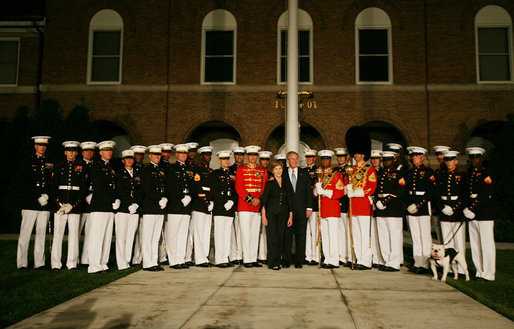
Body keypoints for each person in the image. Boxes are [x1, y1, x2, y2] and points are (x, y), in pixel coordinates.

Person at [17, 136, 53, 270]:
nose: (42, 147)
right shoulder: (28, 161)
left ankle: (40, 262)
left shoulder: (49, 162)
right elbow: (25, 182)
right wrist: (38, 196)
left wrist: (47, 195)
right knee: (25, 234)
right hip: (30, 203)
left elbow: (51, 182)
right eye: (39, 145)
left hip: (45, 204)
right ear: (35, 146)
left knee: (41, 233)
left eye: (44, 145)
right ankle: (22, 263)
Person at [50, 141, 87, 271]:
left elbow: (83, 189)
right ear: (65, 152)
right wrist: (60, 204)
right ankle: (56, 264)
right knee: (58, 235)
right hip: (59, 207)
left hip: (75, 207)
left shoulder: (82, 167)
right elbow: (53, 187)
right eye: (69, 151)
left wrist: (72, 205)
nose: (71, 153)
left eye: (73, 151)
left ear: (77, 153)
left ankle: (72, 263)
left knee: (74, 236)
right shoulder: (59, 166)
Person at [464, 147, 496, 281]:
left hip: (484, 212)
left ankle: (488, 273)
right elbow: (467, 193)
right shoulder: (470, 174)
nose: (474, 160)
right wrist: (467, 208)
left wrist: (472, 208)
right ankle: (479, 271)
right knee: (475, 244)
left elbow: (485, 194)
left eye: (476, 158)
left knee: (486, 244)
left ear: (481, 159)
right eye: (471, 158)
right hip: (472, 213)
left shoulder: (486, 173)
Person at [88, 140, 118, 273]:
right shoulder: (96, 166)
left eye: (110, 150)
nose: (109, 152)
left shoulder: (110, 168)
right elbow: (99, 187)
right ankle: (94, 265)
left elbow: (114, 186)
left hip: (109, 207)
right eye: (106, 150)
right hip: (99, 206)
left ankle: (103, 263)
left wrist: (116, 198)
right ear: (100, 152)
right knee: (97, 236)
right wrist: (113, 199)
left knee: (106, 237)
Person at [436, 150, 468, 275]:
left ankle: (460, 269)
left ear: (456, 161)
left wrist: (455, 209)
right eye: (447, 160)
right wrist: (442, 207)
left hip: (457, 212)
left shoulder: (462, 175)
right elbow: (437, 194)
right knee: (446, 240)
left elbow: (464, 195)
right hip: (444, 211)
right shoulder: (441, 175)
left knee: (459, 241)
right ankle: (448, 268)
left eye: (451, 160)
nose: (449, 163)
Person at [235, 145, 268, 268]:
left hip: (257, 205)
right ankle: (246, 259)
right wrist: (251, 199)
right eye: (251, 156)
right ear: (247, 157)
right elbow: (239, 187)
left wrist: (258, 199)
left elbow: (264, 187)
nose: (253, 158)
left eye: (255, 156)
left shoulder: (262, 171)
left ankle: (253, 258)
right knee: (245, 233)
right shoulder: (241, 170)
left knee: (255, 233)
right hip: (244, 205)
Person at [405, 146, 435, 274]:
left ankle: (425, 264)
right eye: (412, 156)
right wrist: (408, 204)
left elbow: (430, 191)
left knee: (424, 236)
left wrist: (418, 205)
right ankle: (418, 262)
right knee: (415, 236)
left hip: (422, 207)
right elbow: (406, 190)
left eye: (416, 156)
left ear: (422, 157)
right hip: (410, 206)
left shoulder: (428, 172)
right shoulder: (410, 172)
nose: (414, 158)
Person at [374, 151, 406, 272]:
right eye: (385, 159)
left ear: (393, 159)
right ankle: (387, 260)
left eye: (388, 159)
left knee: (394, 236)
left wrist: (384, 201)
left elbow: (400, 189)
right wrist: (377, 201)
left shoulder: (399, 172)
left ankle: (395, 262)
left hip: (393, 208)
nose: (386, 161)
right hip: (380, 209)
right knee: (383, 236)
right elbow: (376, 189)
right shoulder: (381, 172)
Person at [314, 150, 345, 269]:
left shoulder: (336, 175)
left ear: (330, 160)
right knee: (325, 236)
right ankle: (327, 258)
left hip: (332, 209)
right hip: (323, 210)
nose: (325, 161)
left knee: (333, 236)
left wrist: (324, 192)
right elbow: (316, 195)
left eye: (327, 159)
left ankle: (334, 260)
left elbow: (340, 192)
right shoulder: (320, 175)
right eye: (323, 159)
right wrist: (316, 191)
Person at [282, 151, 313, 268]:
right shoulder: (283, 173)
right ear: (287, 160)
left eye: (296, 159)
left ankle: (299, 261)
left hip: (301, 210)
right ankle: (286, 260)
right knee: (287, 236)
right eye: (293, 159)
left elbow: (308, 192)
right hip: (287, 211)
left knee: (301, 236)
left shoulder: (304, 173)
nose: (295, 161)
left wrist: (309, 207)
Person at [261, 160, 293, 270]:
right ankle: (272, 262)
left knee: (280, 238)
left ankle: (278, 261)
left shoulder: (286, 183)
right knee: (272, 238)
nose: (278, 171)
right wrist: (264, 216)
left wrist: (290, 216)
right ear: (272, 171)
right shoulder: (269, 183)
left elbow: (290, 201)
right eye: (276, 169)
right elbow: (264, 202)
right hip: (271, 214)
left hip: (283, 214)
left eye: (280, 168)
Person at [165, 144, 193, 269]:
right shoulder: (171, 168)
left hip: (186, 207)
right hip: (175, 205)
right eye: (181, 153)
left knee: (183, 234)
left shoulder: (188, 169)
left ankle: (181, 259)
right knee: (173, 234)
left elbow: (193, 185)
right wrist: (181, 197)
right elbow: (170, 186)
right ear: (176, 154)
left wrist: (190, 196)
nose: (183, 155)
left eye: (185, 153)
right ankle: (173, 260)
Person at [140, 145, 167, 271]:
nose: (157, 157)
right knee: (148, 237)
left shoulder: (160, 170)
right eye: (154, 155)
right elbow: (147, 189)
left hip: (159, 208)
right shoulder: (146, 170)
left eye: (158, 155)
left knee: (156, 237)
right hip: (150, 207)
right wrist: (159, 198)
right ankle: (147, 263)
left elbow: (164, 188)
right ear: (150, 156)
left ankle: (154, 261)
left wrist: (165, 197)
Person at [210, 150, 237, 267]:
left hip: (230, 208)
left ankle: (225, 258)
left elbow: (235, 190)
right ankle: (219, 259)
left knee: (227, 235)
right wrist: (224, 201)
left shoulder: (232, 175)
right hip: (220, 208)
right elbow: (214, 191)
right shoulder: (215, 174)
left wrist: (232, 201)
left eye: (227, 159)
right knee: (220, 234)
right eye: (223, 159)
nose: (226, 161)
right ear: (220, 161)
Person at [114, 150, 141, 270]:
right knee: (121, 237)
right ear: (123, 161)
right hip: (123, 209)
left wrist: (136, 204)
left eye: (132, 159)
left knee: (130, 237)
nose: (130, 161)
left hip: (135, 209)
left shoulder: (138, 174)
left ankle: (127, 261)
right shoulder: (119, 173)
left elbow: (141, 191)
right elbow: (119, 191)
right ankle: (121, 263)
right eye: (127, 159)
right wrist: (129, 203)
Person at [190, 146, 214, 267]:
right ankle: (199, 258)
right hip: (199, 205)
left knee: (206, 233)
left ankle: (204, 257)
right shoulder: (197, 169)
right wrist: (206, 201)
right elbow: (197, 187)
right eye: (205, 155)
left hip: (208, 206)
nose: (208, 157)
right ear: (201, 156)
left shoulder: (211, 171)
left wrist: (212, 201)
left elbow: (213, 189)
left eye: (209, 155)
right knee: (198, 233)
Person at [333, 147, 352, 267]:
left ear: (346, 158)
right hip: (336, 205)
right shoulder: (334, 171)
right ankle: (340, 256)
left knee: (348, 232)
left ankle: (349, 256)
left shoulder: (350, 169)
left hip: (347, 204)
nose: (340, 159)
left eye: (342, 157)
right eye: (338, 157)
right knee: (339, 233)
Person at [79, 141, 97, 266]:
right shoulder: (78, 165)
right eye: (86, 151)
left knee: (90, 234)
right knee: (76, 234)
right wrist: (84, 195)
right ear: (82, 153)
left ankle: (85, 259)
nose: (89, 153)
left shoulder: (96, 166)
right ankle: (73, 260)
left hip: (92, 204)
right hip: (79, 204)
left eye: (91, 151)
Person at [158, 143, 174, 264]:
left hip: (169, 202)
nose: (166, 155)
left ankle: (165, 254)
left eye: (168, 152)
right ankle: (160, 255)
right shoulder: (158, 166)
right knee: (158, 232)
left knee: (167, 231)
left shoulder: (170, 167)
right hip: (159, 201)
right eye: (164, 152)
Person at [130, 145, 146, 265]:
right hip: (131, 204)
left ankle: (138, 257)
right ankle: (131, 256)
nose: (139, 157)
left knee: (142, 233)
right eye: (137, 155)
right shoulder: (130, 169)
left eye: (141, 155)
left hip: (142, 205)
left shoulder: (144, 169)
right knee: (131, 234)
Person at [229, 146, 245, 265]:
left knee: (241, 232)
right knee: (232, 232)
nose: (239, 157)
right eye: (237, 155)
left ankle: (241, 255)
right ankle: (233, 255)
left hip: (243, 204)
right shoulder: (229, 170)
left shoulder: (245, 170)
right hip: (232, 204)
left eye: (241, 155)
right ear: (234, 156)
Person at [303, 149, 320, 265]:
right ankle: (308, 255)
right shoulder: (302, 171)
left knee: (314, 231)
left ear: (314, 158)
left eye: (311, 157)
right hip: (304, 204)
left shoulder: (318, 171)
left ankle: (315, 256)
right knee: (306, 232)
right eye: (307, 157)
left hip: (314, 205)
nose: (309, 159)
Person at [369, 150, 385, 269]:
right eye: (373, 159)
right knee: (373, 234)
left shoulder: (384, 172)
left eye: (377, 159)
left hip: (381, 205)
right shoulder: (369, 171)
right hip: (370, 204)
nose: (375, 161)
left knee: (382, 234)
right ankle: (375, 258)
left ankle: (382, 258)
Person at [432, 145, 450, 244]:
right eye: (438, 155)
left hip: (450, 207)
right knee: (440, 235)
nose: (439, 157)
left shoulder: (450, 172)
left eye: (442, 155)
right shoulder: (437, 172)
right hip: (439, 207)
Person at [257, 150, 273, 264]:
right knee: (258, 232)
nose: (265, 162)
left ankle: (267, 254)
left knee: (268, 231)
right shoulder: (256, 172)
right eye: (263, 159)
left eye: (267, 159)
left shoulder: (271, 174)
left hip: (269, 206)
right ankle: (260, 255)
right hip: (258, 204)